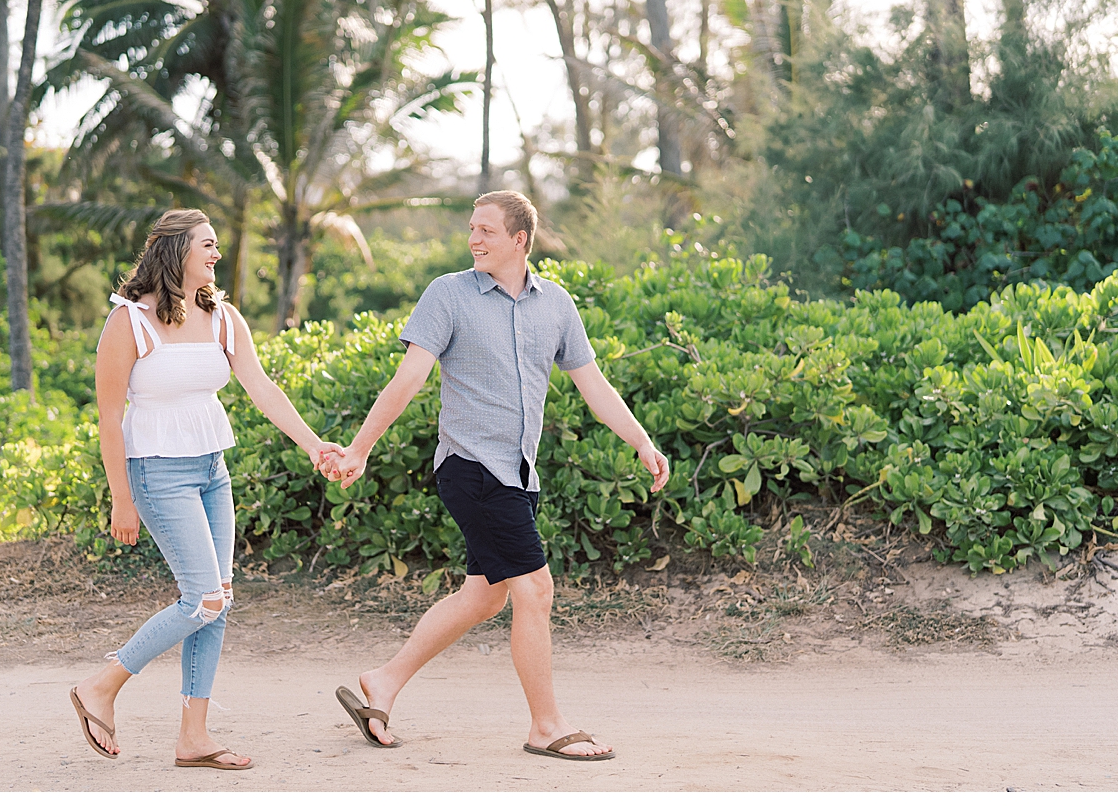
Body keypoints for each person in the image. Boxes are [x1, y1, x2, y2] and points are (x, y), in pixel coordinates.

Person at [321, 190, 669, 761]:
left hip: (519, 475)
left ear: (519, 240)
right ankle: (546, 727)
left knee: (484, 597)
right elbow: (407, 379)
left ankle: (382, 682)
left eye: (486, 230)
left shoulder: (555, 305)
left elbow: (593, 385)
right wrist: (361, 447)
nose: (473, 239)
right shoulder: (448, 294)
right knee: (536, 588)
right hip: (471, 467)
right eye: (471, 228)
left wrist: (642, 442)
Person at [69, 209, 339, 771]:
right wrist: (122, 496)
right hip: (157, 473)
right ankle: (102, 685)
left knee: (218, 602)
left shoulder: (223, 317)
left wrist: (316, 447)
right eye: (207, 245)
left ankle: (193, 737)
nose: (217, 255)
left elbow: (261, 387)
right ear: (176, 252)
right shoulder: (128, 323)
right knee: (203, 599)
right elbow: (109, 418)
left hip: (211, 471)